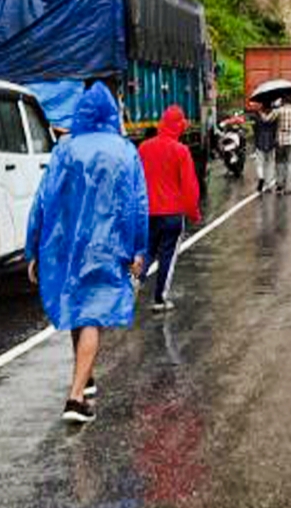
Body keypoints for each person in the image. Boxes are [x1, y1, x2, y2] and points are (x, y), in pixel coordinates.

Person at [26, 83, 148, 425]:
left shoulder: (65, 150)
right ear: (111, 114)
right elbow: (136, 204)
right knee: (93, 313)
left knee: (78, 306)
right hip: (106, 246)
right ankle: (76, 398)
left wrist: (33, 246)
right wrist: (138, 246)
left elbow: (43, 199)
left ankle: (86, 374)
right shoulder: (125, 152)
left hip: (66, 244)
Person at [138, 105, 202, 313]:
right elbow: (189, 186)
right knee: (167, 255)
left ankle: (133, 283)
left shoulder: (144, 148)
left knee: (147, 251)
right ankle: (160, 299)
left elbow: (136, 182)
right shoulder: (181, 151)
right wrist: (193, 212)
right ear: (178, 126)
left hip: (148, 212)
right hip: (172, 214)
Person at [272, 94, 291, 193]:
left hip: (280, 139)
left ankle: (279, 184)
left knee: (279, 162)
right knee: (290, 163)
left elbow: (270, 119)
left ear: (282, 101)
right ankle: (287, 187)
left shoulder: (278, 111)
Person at [250, 104, 277, 194]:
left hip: (260, 142)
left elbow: (254, 130)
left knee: (259, 163)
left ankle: (261, 178)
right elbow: (275, 130)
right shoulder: (274, 118)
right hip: (271, 142)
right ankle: (269, 185)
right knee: (270, 164)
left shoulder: (257, 117)